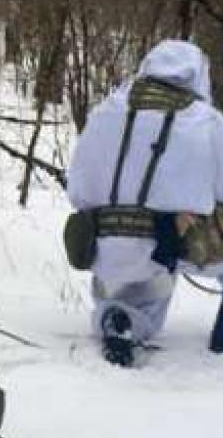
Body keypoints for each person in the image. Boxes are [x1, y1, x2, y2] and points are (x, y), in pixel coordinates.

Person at [67, 40, 223, 367]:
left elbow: (79, 187)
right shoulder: (206, 122)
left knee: (135, 287)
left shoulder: (106, 110)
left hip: (101, 242)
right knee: (168, 243)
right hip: (171, 244)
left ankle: (119, 319)